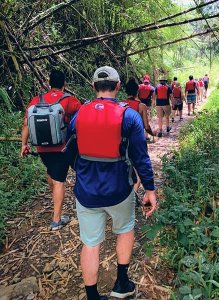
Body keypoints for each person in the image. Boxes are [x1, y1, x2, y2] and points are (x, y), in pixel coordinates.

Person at [69, 66, 157, 300]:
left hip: (86, 191)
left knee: (90, 243)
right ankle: (121, 283)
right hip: (119, 190)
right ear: (118, 86)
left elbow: (70, 149)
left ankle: (92, 296)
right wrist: (149, 189)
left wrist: (81, 171)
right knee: (125, 230)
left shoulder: (79, 114)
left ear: (93, 87)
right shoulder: (129, 115)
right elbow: (141, 156)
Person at [21, 70, 81, 230]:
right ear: (64, 84)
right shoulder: (69, 100)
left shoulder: (36, 100)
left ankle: (56, 202)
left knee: (51, 173)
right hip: (62, 147)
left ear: (49, 83)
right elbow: (81, 119)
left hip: (41, 147)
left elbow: (26, 123)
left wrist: (24, 144)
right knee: (59, 180)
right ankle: (56, 220)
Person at [123, 78, 157, 194]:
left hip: (122, 140)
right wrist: (154, 134)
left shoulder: (120, 104)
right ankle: (133, 194)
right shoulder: (141, 106)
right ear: (137, 92)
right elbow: (146, 126)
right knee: (139, 168)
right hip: (137, 141)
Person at [138, 75, 155, 140]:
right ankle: (146, 135)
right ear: (149, 80)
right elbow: (153, 99)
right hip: (148, 106)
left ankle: (140, 135)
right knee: (147, 119)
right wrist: (153, 106)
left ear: (143, 80)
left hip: (139, 105)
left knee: (139, 119)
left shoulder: (139, 87)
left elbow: (136, 96)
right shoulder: (152, 88)